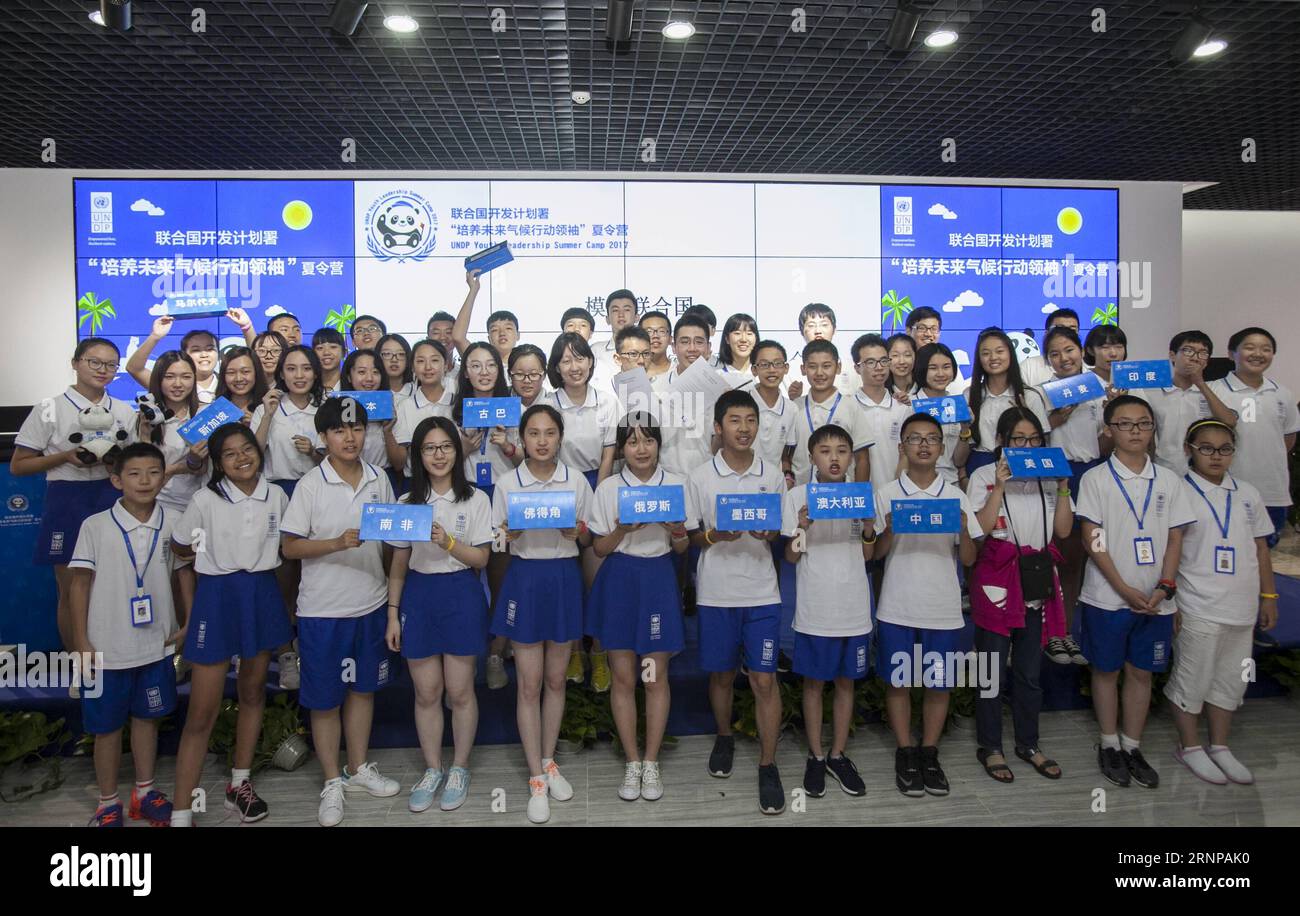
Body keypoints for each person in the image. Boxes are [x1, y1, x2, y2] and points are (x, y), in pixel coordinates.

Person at [281, 396, 401, 826]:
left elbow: (391, 544)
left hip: (368, 602)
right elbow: (290, 546)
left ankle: (358, 767)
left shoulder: (378, 479)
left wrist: (391, 601)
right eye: (338, 430)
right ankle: (332, 780)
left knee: (363, 690)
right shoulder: (311, 484)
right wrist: (336, 541)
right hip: (322, 610)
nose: (349, 438)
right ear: (324, 437)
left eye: (356, 429)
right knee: (325, 699)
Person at [169, 424, 292, 825]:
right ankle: (182, 808)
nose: (242, 458)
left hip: (261, 592)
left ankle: (239, 784)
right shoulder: (205, 498)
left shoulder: (275, 494)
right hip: (218, 597)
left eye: (248, 450)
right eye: (230, 454)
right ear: (218, 463)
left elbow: (288, 545)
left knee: (253, 692)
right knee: (201, 711)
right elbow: (181, 544)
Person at [68, 442, 192, 826]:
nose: (145, 481)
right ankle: (108, 803)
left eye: (154, 472)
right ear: (116, 479)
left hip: (155, 646)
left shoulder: (173, 522)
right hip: (106, 648)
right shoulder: (96, 526)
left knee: (147, 720)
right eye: (135, 474)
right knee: (105, 730)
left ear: (163, 476)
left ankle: (144, 792)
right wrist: (81, 642)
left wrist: (188, 622)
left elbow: (184, 573)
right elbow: (78, 585)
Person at [1076, 394, 1195, 790]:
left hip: (1157, 599)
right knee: (1107, 670)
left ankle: (1132, 744)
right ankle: (1109, 743)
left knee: (1141, 672)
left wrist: (1165, 586)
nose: (1135, 431)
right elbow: (1092, 538)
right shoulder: (1096, 479)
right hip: (1109, 596)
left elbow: (1175, 539)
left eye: (1143, 423)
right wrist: (1124, 588)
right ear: (1109, 430)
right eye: (1125, 424)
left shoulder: (1168, 480)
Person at [490, 404, 594, 824]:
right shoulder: (506, 482)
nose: (542, 441)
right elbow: (497, 539)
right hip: (526, 580)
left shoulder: (576, 482)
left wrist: (579, 533)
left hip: (564, 578)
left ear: (560, 437)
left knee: (555, 680)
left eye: (550, 433)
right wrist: (507, 534)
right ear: (523, 438)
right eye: (533, 433)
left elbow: (587, 534)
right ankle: (535, 775)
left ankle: (549, 761)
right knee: (529, 684)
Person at [385, 416, 493, 813]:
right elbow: (398, 564)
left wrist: (448, 542)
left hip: (461, 593)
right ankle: (432, 769)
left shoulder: (476, 499)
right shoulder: (406, 504)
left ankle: (460, 767)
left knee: (460, 691)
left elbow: (481, 557)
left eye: (446, 446)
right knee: (427, 691)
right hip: (419, 596)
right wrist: (393, 614)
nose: (438, 454)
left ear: (457, 450)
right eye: (429, 448)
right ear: (418, 455)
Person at [687, 389, 787, 815]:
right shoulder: (700, 476)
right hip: (716, 592)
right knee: (723, 676)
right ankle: (724, 736)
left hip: (762, 590)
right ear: (717, 427)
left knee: (764, 680)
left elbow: (778, 529)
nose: (744, 428)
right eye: (734, 421)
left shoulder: (772, 474)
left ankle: (768, 764)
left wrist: (771, 534)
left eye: (750, 420)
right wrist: (715, 536)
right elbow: (693, 536)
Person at [872, 413, 980, 797]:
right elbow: (876, 554)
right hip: (897, 604)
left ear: (942, 447)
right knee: (898, 681)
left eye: (931, 439)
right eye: (914, 438)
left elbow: (967, 559)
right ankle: (905, 751)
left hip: (943, 606)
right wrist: (885, 529)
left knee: (940, 683)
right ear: (902, 447)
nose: (923, 445)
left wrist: (966, 529)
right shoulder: (886, 493)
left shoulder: (955, 495)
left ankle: (930, 752)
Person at [1166, 419, 1279, 785]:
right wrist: (1173, 601)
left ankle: (1220, 746)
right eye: (1207, 448)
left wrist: (1268, 595)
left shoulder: (1246, 493)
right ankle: (1190, 746)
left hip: (1241, 605)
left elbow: (1260, 547)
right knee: (1193, 678)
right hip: (1198, 601)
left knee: (1231, 679)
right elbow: (1172, 549)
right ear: (1189, 449)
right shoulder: (1179, 491)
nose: (1216, 456)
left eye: (1225, 448)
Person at [589, 415, 692, 802]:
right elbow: (599, 548)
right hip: (619, 580)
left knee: (654, 676)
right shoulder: (610, 488)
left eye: (648, 440)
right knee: (622, 676)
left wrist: (676, 528)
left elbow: (682, 547)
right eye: (632, 442)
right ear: (622, 450)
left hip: (658, 580)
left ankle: (651, 761)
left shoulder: (676, 484)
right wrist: (622, 530)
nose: (641, 449)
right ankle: (632, 761)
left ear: (659, 444)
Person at [968, 408, 1074, 783]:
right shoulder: (983, 475)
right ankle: (990, 746)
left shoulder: (1048, 476)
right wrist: (999, 485)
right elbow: (979, 530)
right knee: (992, 673)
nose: (1028, 447)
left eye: (1034, 440)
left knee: (1029, 673)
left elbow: (1062, 530)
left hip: (1036, 583)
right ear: (1002, 443)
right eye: (1018, 440)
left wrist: (1062, 485)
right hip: (996, 583)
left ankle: (1028, 743)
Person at [13, 338, 137, 650]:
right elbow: (19, 465)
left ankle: (117, 657)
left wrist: (115, 461)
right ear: (76, 363)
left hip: (113, 497)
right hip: (67, 500)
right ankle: (79, 664)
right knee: (70, 588)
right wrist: (65, 456)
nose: (102, 370)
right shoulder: (49, 409)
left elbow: (134, 462)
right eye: (94, 362)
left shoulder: (124, 411)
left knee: (116, 585)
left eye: (110, 365)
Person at [782, 424, 873, 799]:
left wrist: (869, 528)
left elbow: (868, 555)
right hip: (816, 604)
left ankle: (838, 754)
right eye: (825, 451)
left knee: (847, 682)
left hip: (853, 603)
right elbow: (790, 556)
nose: (834, 458)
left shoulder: (861, 495)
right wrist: (803, 526)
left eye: (841, 450)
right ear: (811, 456)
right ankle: (816, 755)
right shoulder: (798, 497)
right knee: (815, 683)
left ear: (852, 456)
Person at [1039, 325, 1107, 665]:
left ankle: (1066, 630)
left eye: (1069, 350)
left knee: (1079, 557)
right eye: (1054, 353)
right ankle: (1049, 632)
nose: (1063, 358)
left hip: (1090, 474)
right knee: (1052, 556)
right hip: (1054, 477)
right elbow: (1033, 435)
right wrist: (1055, 417)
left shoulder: (1101, 389)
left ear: (1082, 351)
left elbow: (1105, 442)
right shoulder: (1043, 393)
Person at [1207, 327, 1298, 549]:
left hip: (1272, 493)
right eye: (1249, 347)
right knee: (1224, 552)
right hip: (1225, 490)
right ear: (1231, 354)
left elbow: (1287, 440)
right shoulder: (1213, 391)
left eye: (1266, 349)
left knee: (1264, 555)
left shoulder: (1282, 394)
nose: (1258, 354)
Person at [1138, 330, 1237, 471]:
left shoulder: (1215, 389)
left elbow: (1230, 422)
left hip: (1204, 470)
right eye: (1188, 351)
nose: (1195, 358)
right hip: (1165, 468)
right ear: (1172, 355)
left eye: (1203, 353)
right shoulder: (1152, 391)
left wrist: (1200, 383)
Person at [783, 340, 870, 488]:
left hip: (841, 497)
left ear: (838, 367)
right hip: (801, 494)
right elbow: (786, 456)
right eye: (812, 367)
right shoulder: (794, 408)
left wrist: (858, 496)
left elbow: (862, 458)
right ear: (803, 369)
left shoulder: (851, 406)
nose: (819, 373)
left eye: (826, 366)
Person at [965, 328, 1050, 476]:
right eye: (985, 353)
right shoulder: (969, 395)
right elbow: (965, 444)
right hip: (979, 464)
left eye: (999, 351)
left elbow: (1043, 443)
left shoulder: (1029, 396)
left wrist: (1026, 418)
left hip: (1019, 464)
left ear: (1010, 354)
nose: (993, 357)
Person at [850, 333, 910, 485]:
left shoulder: (902, 408)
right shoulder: (847, 407)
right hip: (855, 497)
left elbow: (907, 455)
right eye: (870, 362)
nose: (879, 368)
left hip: (893, 495)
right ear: (857, 368)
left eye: (884, 361)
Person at [391, 339, 455, 472]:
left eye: (435, 360)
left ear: (446, 365)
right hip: (415, 482)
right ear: (413, 367)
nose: (428, 367)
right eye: (420, 361)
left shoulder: (458, 405)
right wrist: (387, 432)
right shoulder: (403, 407)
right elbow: (399, 463)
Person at [910, 343, 970, 485]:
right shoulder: (909, 405)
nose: (941, 374)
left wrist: (965, 430)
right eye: (933, 368)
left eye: (946, 367)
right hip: (917, 484)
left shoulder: (958, 405)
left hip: (950, 483)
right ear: (921, 370)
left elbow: (959, 461)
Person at [340, 348, 399, 488]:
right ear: (349, 376)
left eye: (375, 372)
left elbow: (399, 464)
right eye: (361, 372)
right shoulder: (337, 406)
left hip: (384, 477)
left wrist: (387, 430)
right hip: (346, 478)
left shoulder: (392, 403)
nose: (369, 378)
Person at [786, 303, 857, 398]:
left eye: (824, 325)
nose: (818, 331)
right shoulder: (790, 370)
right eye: (811, 326)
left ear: (834, 329)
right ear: (802, 331)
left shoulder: (852, 368)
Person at [750, 340, 797, 466]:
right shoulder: (741, 404)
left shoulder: (791, 409)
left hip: (774, 482)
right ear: (754, 370)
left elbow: (785, 456)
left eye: (777, 364)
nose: (772, 370)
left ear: (786, 368)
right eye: (764, 364)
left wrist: (787, 476)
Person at [905, 307, 966, 394]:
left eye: (934, 329)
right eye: (922, 328)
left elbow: (956, 397)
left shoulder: (948, 363)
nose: (928, 334)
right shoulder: (902, 364)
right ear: (908, 330)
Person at [1020, 308, 1080, 387]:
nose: (1065, 334)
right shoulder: (1028, 367)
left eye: (1072, 330)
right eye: (1059, 329)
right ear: (1046, 333)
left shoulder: (1092, 370)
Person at [593, 290, 640, 389]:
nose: (621, 314)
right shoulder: (595, 351)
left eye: (627, 310)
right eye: (615, 310)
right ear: (607, 319)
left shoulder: (647, 351)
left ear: (636, 317)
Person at [214, 345, 270, 424]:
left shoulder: (270, 409)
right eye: (231, 372)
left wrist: (257, 425)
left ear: (256, 373)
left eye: (245, 371)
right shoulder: (212, 412)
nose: (238, 378)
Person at [376, 333, 416, 402]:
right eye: (387, 354)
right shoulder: (372, 393)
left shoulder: (418, 391)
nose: (394, 360)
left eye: (401, 354)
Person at [638, 310, 675, 384]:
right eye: (649, 332)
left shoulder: (680, 370)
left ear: (670, 339)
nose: (655, 336)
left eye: (661, 331)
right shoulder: (630, 373)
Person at [311, 327, 347, 394]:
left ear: (343, 352)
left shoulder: (352, 385)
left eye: (333, 347)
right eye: (320, 348)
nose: (326, 353)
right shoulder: (308, 387)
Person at [886, 333, 917, 401]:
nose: (901, 361)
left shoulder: (926, 389)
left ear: (915, 356)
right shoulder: (882, 392)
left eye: (907, 355)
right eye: (895, 355)